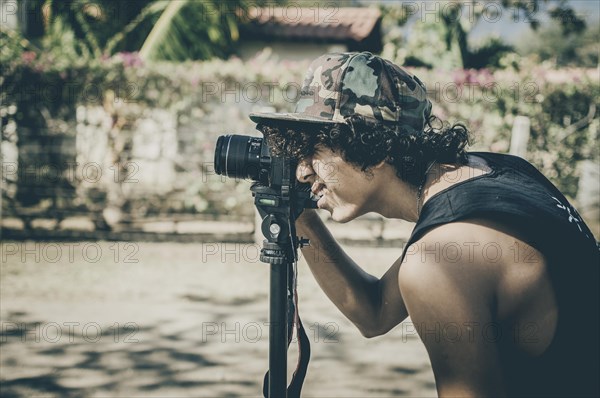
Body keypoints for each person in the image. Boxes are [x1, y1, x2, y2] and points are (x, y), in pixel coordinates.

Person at [249, 52, 599, 397]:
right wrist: (300, 217)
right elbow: (375, 313)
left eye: (314, 150)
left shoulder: (439, 258)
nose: (300, 170)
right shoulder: (501, 172)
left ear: (372, 145)